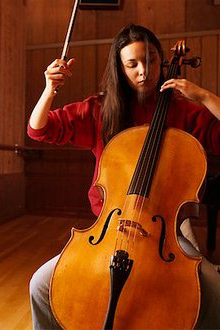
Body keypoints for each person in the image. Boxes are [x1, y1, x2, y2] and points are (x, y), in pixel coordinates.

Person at [27, 24, 220, 329]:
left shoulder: (183, 112)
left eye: (152, 60)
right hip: (109, 231)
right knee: (39, 285)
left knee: (215, 290)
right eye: (133, 64)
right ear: (119, 68)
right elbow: (39, 130)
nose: (145, 71)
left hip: (166, 233)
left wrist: (203, 95)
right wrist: (49, 89)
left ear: (160, 60)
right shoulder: (100, 110)